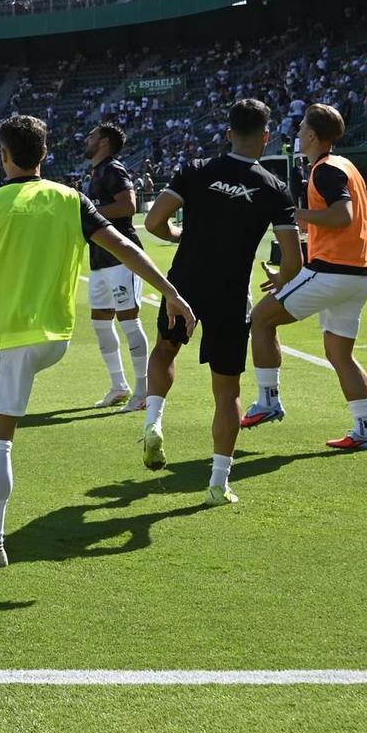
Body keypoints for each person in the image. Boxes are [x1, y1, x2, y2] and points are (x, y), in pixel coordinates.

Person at [0, 116, 193, 567]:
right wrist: (170, 292)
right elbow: (125, 247)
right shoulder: (71, 199)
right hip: (55, 336)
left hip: (13, 335)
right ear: (44, 154)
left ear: (3, 155)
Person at [138, 100, 302, 503]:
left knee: (164, 350)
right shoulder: (274, 187)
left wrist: (179, 235)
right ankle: (217, 483)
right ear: (267, 137)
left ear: (228, 133)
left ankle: (154, 420)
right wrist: (280, 277)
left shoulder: (197, 170)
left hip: (185, 282)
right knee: (227, 391)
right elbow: (294, 259)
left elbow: (153, 221)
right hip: (231, 292)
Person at [244, 103, 367, 452]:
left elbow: (342, 215)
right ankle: (365, 430)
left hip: (333, 271)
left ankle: (268, 401)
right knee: (339, 353)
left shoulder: (325, 169)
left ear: (313, 135)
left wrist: (291, 212)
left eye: (302, 126)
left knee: (260, 320)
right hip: (358, 275)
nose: (298, 131)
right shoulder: (344, 166)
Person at [83, 122, 150, 409]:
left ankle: (144, 391)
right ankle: (118, 385)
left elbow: (128, 206)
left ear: (104, 142)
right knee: (100, 322)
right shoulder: (97, 172)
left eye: (93, 135)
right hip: (99, 259)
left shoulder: (113, 169)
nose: (87, 138)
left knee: (129, 320)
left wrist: (89, 214)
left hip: (121, 256)